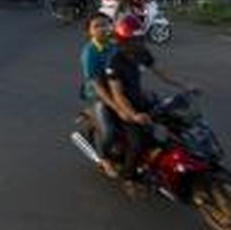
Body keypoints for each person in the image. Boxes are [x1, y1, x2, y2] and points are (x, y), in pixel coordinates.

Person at [103, 14, 192, 194]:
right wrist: (133, 115)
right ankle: (128, 178)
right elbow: (118, 94)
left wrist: (185, 85)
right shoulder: (114, 62)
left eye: (140, 38)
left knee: (175, 121)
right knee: (138, 143)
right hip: (125, 108)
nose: (139, 42)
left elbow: (161, 72)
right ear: (123, 41)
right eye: (134, 39)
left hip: (141, 99)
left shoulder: (142, 53)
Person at [79, 13, 119, 178]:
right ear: (89, 32)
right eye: (97, 26)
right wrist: (113, 103)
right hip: (98, 94)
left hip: (117, 88)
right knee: (109, 131)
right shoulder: (90, 52)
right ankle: (105, 159)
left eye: (105, 24)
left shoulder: (114, 46)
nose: (102, 28)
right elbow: (95, 83)